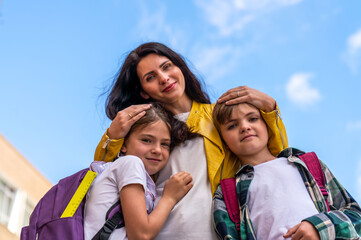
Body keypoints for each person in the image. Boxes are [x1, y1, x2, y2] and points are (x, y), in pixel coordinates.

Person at [94, 42, 288, 239]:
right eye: (150, 77)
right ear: (143, 91)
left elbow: (271, 158)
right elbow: (105, 178)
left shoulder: (219, 118)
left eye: (167, 66)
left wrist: (270, 108)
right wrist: (112, 137)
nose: (164, 78)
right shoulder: (139, 131)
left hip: (222, 233)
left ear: (180, 68)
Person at [212, 102, 361, 239]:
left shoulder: (308, 165)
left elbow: (356, 216)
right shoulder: (226, 193)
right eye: (232, 126)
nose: (245, 127)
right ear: (223, 141)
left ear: (267, 125)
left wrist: (318, 227)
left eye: (252, 119)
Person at [84, 103, 195, 240]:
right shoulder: (131, 163)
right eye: (147, 140)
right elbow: (141, 234)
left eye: (164, 144)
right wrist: (169, 198)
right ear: (124, 144)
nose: (157, 150)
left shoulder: (121, 169)